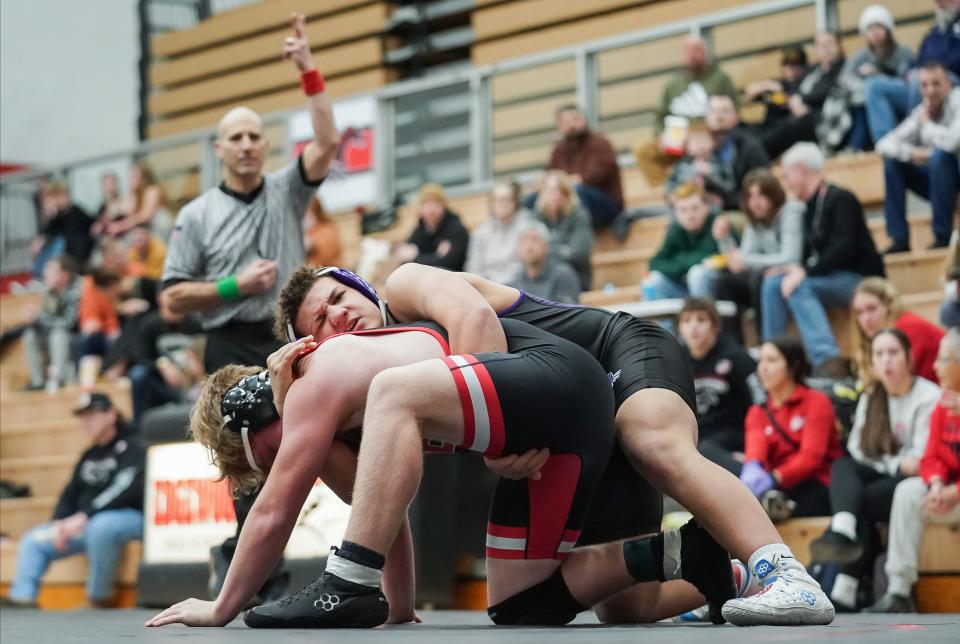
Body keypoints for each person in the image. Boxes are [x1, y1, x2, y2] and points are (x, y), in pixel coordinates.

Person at [274, 264, 837, 625]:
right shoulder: (381, 376)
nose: (338, 316)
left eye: (337, 296)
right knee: (626, 608)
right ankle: (723, 569)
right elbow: (376, 497)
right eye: (320, 321)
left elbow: (476, 321)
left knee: (652, 441)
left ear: (359, 284)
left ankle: (785, 573)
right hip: (572, 427)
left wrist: (494, 441)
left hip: (615, 349)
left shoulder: (404, 287)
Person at [146, 318, 738, 629]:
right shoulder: (347, 426)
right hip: (560, 430)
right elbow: (384, 517)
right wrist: (398, 608)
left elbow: (275, 509)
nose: (282, 467)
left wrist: (221, 606)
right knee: (519, 607)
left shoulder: (310, 381)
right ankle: (689, 553)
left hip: (566, 379)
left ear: (255, 408)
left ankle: (345, 583)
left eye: (267, 455)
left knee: (391, 392)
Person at [159, 12, 338, 603]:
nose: (245, 144)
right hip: (229, 339)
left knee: (298, 450)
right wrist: (233, 287)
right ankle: (262, 577)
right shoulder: (197, 215)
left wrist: (308, 69)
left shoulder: (287, 190)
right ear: (219, 149)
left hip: (285, 338)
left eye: (254, 135)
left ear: (266, 146)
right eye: (234, 136)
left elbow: (329, 142)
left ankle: (240, 559)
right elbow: (171, 296)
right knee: (246, 462)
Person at [809, 329, 939, 611]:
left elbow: (919, 460)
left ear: (909, 358)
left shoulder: (928, 396)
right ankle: (843, 529)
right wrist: (893, 463)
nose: (886, 361)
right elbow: (857, 449)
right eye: (879, 354)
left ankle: (847, 585)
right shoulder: (872, 395)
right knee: (844, 465)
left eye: (893, 353)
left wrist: (889, 462)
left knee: (860, 500)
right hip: (887, 474)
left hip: (917, 480)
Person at [1, 392, 145, 609]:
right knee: (33, 539)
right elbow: (69, 493)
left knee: (101, 527)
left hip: (129, 518)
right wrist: (59, 522)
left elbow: (123, 489)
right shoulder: (89, 454)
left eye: (93, 414)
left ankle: (98, 598)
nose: (87, 421)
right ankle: (23, 597)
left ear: (111, 414)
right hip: (86, 522)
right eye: (83, 417)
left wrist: (83, 516)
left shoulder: (134, 445)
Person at [761, 143, 885, 374]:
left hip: (860, 279)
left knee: (798, 286)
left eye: (787, 175)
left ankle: (827, 360)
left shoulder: (841, 198)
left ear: (802, 170)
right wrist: (790, 269)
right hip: (827, 278)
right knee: (772, 283)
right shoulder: (804, 207)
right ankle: (772, 353)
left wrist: (804, 272)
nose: (784, 182)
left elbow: (843, 251)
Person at [868, 329, 960, 612]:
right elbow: (931, 456)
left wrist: (954, 492)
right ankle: (899, 592)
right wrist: (935, 485)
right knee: (908, 490)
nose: (934, 366)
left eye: (942, 359)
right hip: (946, 489)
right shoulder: (943, 403)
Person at [739, 337, 842, 518]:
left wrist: (774, 478)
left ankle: (774, 506)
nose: (763, 368)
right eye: (761, 361)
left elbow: (811, 458)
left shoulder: (816, 401)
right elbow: (756, 451)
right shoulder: (758, 411)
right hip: (775, 485)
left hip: (816, 481)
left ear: (793, 366)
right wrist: (752, 466)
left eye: (772, 360)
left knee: (805, 497)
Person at [875, 61, 960, 252]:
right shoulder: (922, 111)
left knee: (939, 157)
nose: (930, 90)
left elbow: (952, 143)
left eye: (936, 84)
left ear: (949, 83)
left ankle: (943, 235)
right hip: (939, 185)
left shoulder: (958, 100)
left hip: (956, 179)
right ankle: (899, 239)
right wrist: (913, 152)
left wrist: (927, 128)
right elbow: (883, 145)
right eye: (924, 85)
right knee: (892, 163)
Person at [712, 169, 804, 342]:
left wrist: (746, 260)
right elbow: (741, 261)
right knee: (723, 282)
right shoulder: (755, 219)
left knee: (758, 277)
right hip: (765, 275)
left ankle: (765, 342)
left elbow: (791, 257)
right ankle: (732, 346)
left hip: (790, 273)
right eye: (750, 197)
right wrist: (724, 239)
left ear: (774, 195)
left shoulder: (791, 211)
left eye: (761, 196)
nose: (755, 203)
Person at [636, 36, 739, 185]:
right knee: (642, 149)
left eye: (697, 50)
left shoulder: (720, 79)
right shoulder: (672, 85)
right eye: (688, 51)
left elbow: (734, 111)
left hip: (707, 132)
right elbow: (659, 116)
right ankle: (668, 189)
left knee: (699, 137)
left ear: (705, 53)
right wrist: (661, 135)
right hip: (677, 135)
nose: (693, 55)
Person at [677, 298, 759, 471]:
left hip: (734, 433)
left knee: (701, 451)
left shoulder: (737, 357)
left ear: (715, 327)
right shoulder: (677, 361)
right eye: (686, 320)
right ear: (679, 328)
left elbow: (759, 403)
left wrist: (754, 451)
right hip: (696, 435)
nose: (693, 326)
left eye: (701, 319)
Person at [866, 0, 960, 143]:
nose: (940, 3)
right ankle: (886, 140)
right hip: (919, 81)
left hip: (950, 83)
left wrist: (928, 71)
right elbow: (918, 59)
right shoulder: (936, 30)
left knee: (920, 78)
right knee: (874, 85)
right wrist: (907, 72)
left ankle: (913, 137)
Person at [840, 5, 915, 151]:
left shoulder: (903, 52)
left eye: (878, 27)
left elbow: (908, 82)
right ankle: (856, 146)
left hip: (901, 101)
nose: (874, 33)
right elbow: (844, 79)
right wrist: (861, 78)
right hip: (866, 101)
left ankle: (886, 140)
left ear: (887, 29)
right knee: (860, 96)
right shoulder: (860, 56)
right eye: (870, 29)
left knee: (873, 86)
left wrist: (879, 76)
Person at [760, 33, 846, 159]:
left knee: (789, 126)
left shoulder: (843, 68)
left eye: (829, 44)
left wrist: (800, 100)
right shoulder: (813, 71)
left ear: (838, 47)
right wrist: (772, 89)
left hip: (820, 120)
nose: (825, 49)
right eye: (821, 45)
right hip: (798, 117)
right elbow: (779, 94)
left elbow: (829, 91)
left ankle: (759, 155)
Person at [851, 277, 945, 384]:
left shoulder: (908, 326)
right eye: (859, 312)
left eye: (872, 308)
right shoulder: (883, 334)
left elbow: (897, 382)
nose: (866, 318)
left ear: (889, 306)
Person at [542, 105, 623, 228]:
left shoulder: (600, 143)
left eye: (576, 119)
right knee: (533, 198)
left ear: (584, 120)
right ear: (560, 126)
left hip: (606, 205)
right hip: (569, 202)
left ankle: (575, 233)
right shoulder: (558, 150)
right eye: (566, 122)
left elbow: (599, 174)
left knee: (577, 190)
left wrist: (569, 182)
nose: (572, 125)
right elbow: (549, 174)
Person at [641, 183, 720, 304]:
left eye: (695, 208)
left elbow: (709, 255)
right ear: (676, 213)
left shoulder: (717, 221)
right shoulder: (676, 229)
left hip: (717, 286)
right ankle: (664, 324)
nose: (690, 215)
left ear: (706, 207)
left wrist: (679, 260)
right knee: (651, 282)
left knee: (697, 273)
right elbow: (655, 263)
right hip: (685, 287)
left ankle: (704, 317)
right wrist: (683, 264)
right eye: (683, 210)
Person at [21, 255, 83, 390]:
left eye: (50, 271)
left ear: (64, 275)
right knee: (30, 335)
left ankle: (59, 378)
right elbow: (47, 320)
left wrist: (39, 318)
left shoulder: (78, 291)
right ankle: (37, 381)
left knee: (58, 335)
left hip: (78, 338)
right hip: (56, 336)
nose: (45, 274)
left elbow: (69, 324)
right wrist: (34, 320)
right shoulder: (50, 292)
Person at [704, 94, 771, 210]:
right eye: (714, 111)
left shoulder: (750, 147)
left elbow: (762, 190)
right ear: (706, 118)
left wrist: (723, 201)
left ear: (736, 116)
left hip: (740, 209)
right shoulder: (697, 148)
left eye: (725, 111)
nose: (719, 116)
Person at [530, 171, 594, 290]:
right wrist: (561, 249)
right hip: (542, 276)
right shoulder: (535, 217)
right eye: (550, 191)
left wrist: (547, 251)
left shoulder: (579, 216)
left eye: (558, 191)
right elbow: (531, 252)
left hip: (575, 275)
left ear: (567, 195)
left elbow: (578, 254)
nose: (554, 196)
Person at [465, 181, 531, 284]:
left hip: (518, 288)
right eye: (497, 200)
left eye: (506, 199)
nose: (501, 204)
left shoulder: (527, 227)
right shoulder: (480, 233)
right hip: (487, 287)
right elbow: (474, 268)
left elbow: (526, 267)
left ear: (515, 202)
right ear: (491, 204)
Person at [392, 183, 470, 271]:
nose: (431, 208)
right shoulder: (421, 229)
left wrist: (415, 256)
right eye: (426, 204)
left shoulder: (455, 228)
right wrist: (435, 256)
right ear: (420, 208)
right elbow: (405, 260)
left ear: (444, 205)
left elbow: (448, 264)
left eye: (436, 203)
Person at [665, 123, 735, 208]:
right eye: (695, 141)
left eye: (703, 140)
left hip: (716, 206)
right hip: (687, 207)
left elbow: (730, 188)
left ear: (713, 143)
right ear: (687, 147)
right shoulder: (681, 166)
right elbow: (670, 187)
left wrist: (712, 174)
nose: (700, 145)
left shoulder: (721, 163)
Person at [510, 222, 581, 304]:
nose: (529, 247)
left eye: (534, 240)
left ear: (546, 246)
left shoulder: (563, 275)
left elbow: (569, 312)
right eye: (523, 241)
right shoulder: (515, 281)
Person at [106, 163, 172, 241]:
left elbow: (144, 216)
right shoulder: (136, 194)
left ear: (144, 178)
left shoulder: (152, 190)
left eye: (135, 176)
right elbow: (126, 211)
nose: (131, 179)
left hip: (161, 228)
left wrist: (120, 226)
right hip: (149, 231)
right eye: (131, 176)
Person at [303, 196, 342, 267]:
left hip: (329, 274)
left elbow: (327, 256)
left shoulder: (327, 228)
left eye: (306, 211)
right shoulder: (307, 231)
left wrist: (312, 246)